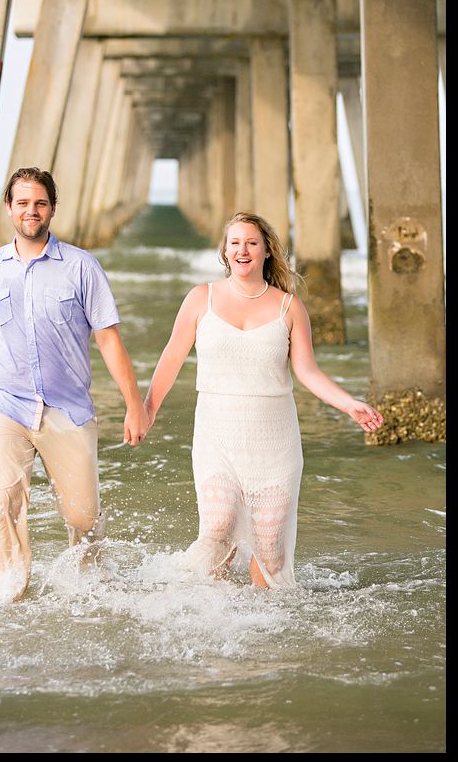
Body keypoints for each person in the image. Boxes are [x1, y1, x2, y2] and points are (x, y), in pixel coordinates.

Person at [144, 212, 384, 589]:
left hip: (274, 441)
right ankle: (212, 610)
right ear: (225, 250)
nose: (243, 250)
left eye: (252, 243)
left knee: (270, 547)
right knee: (219, 526)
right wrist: (147, 409)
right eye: (235, 242)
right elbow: (171, 358)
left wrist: (348, 403)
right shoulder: (200, 299)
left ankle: (263, 624)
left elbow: (307, 371)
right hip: (217, 434)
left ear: (266, 251)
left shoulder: (289, 308)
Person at [0, 167, 149, 602]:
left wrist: (135, 405)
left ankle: (88, 587)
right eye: (22, 202)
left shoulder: (82, 267)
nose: (31, 211)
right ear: (9, 209)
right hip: (2, 404)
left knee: (84, 516)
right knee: (1, 504)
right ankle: (10, 594)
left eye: (39, 203)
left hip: (67, 408)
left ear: (52, 209)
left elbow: (109, 340)